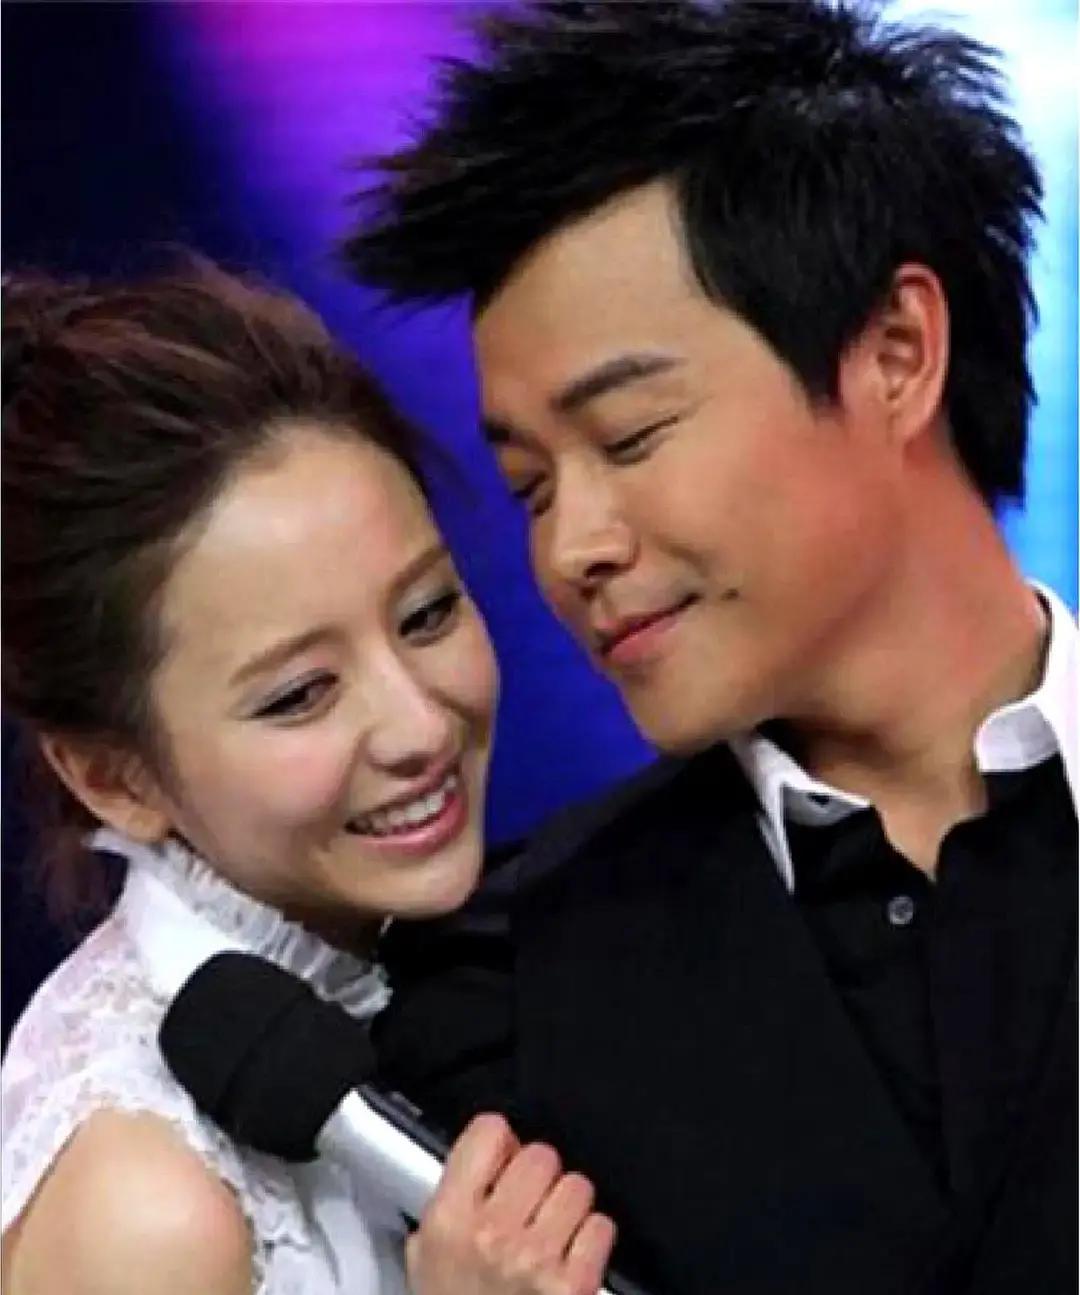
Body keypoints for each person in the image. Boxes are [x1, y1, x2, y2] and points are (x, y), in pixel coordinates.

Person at [343, 2, 1079, 1292]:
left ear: (896, 353)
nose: (572, 548)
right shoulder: (503, 985)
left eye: (629, 436)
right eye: (528, 488)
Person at [0, 262, 617, 1295]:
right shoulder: (146, 1205)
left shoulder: (412, 950)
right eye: (299, 695)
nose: (420, 725)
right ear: (112, 777)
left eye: (427, 613)